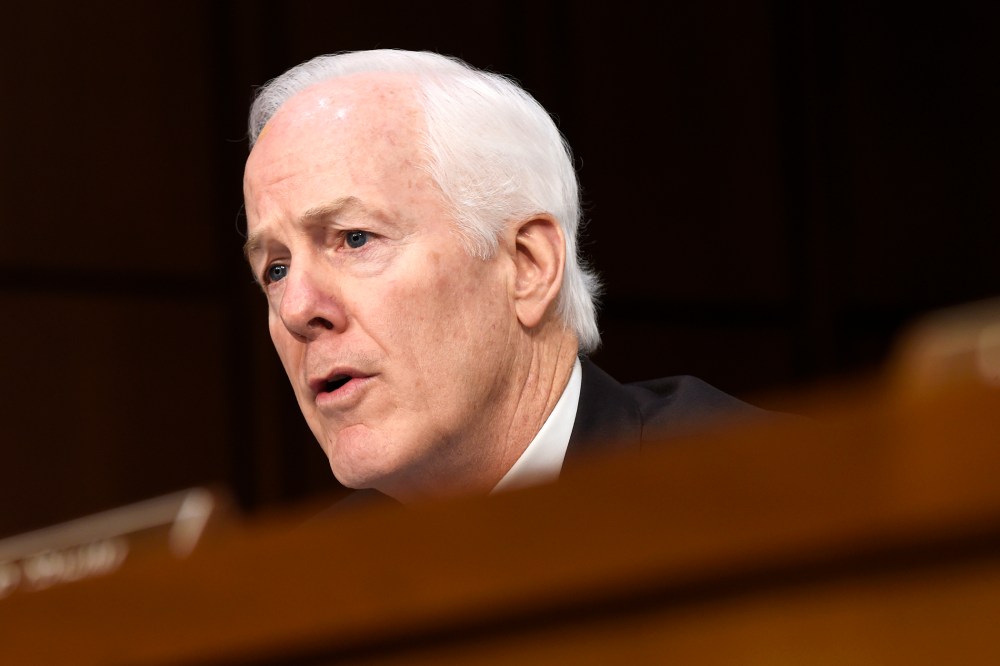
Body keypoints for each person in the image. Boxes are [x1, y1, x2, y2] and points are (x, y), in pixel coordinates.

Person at [242, 49, 766, 504]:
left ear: (528, 266)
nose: (295, 309)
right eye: (277, 269)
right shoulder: (300, 586)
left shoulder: (762, 488)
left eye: (355, 238)